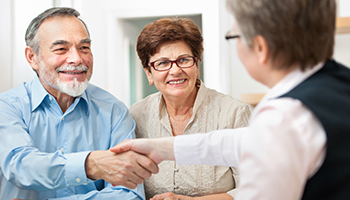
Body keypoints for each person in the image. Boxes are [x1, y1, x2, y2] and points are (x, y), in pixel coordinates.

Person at [111, 0, 350, 199]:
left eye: (233, 35)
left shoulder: (283, 116)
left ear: (260, 47)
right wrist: (163, 148)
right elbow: (241, 142)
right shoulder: (338, 82)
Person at [0, 7, 158, 200]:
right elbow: (21, 166)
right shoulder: (6, 107)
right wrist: (91, 164)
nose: (76, 59)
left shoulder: (113, 110)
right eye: (61, 49)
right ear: (32, 57)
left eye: (84, 48)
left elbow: (127, 193)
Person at [131, 17, 251, 200]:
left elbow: (253, 189)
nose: (175, 70)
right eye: (163, 63)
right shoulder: (136, 116)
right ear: (149, 73)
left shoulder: (234, 113)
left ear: (197, 65)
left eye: (184, 60)